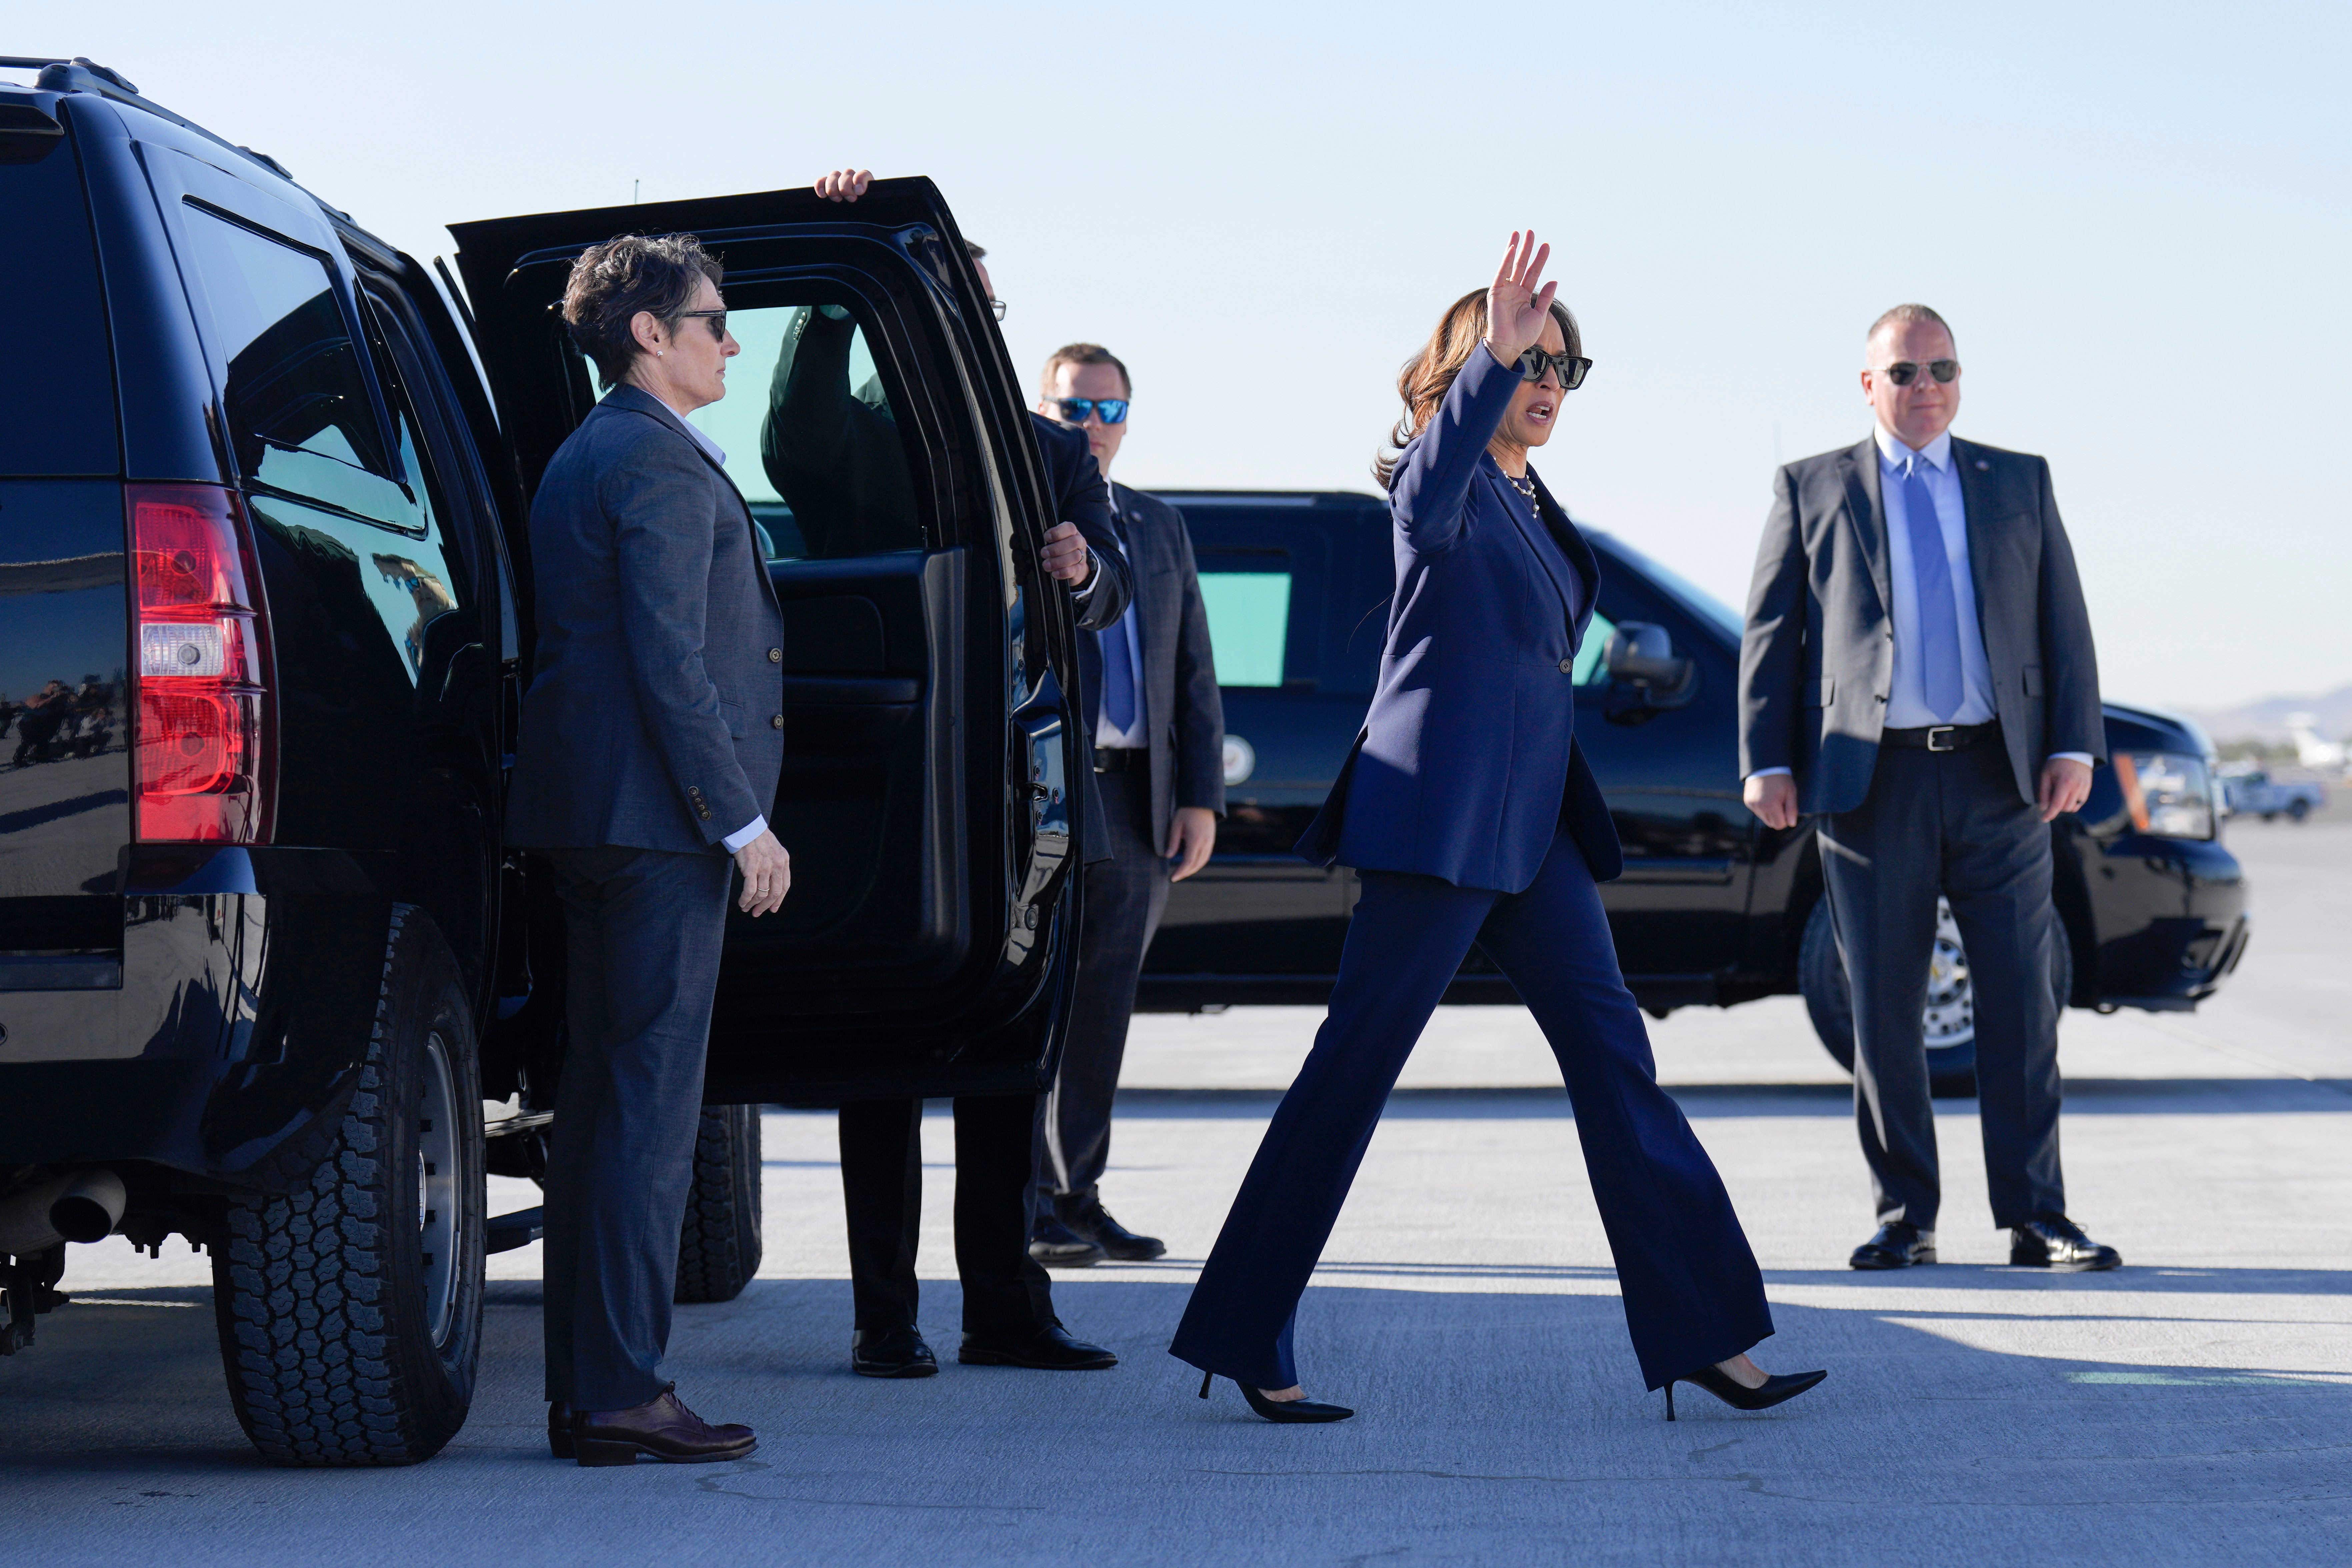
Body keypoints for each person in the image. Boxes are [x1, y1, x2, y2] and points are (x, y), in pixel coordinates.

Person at [1169, 233, 1826, 1425]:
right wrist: (1488, 363)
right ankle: (1242, 1333)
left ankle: (1708, 1334)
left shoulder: (1532, 501)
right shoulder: (1445, 484)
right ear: (1466, 372)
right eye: (1528, 359)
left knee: (1618, 1060)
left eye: (1564, 368)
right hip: (1436, 827)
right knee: (1351, 1077)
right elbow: (1428, 490)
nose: (1547, 381)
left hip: (1535, 837)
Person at [793, 166, 1133, 1381]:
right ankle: (886, 1322)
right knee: (878, 1064)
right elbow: (792, 436)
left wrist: (1081, 567)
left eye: (978, 299)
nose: (968, 314)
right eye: (940, 295)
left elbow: (1113, 599)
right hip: (893, 787)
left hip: (1018, 794)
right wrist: (838, 277)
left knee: (1008, 1053)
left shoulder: (1053, 450)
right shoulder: (855, 442)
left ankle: (1006, 1313)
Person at [1738, 304, 2116, 1274]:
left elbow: (2063, 623)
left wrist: (2075, 743)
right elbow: (1773, 634)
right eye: (1903, 373)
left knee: (2022, 1004)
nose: (1925, 388)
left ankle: (2039, 1217)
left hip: (2001, 777)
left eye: (1941, 369)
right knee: (1886, 1008)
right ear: (1869, 384)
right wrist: (1767, 760)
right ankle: (1906, 1216)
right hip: (1872, 781)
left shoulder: (2017, 482)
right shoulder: (1811, 485)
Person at [507, 233, 791, 1466]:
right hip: (656, 827)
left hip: (597, 818)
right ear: (648, 334)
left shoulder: (597, 450)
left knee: (608, 1110)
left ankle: (595, 1390)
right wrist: (743, 822)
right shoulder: (658, 465)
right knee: (642, 1119)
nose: (731, 342)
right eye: (715, 322)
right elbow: (670, 663)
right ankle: (621, 1391)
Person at [1023, 343, 1224, 1270]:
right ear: (1041, 410)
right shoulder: (1028, 514)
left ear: (1129, 420)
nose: (1091, 428)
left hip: (1141, 794)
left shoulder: (1157, 524)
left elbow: (1193, 670)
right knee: (1039, 1001)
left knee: (1105, 1006)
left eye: (1107, 411)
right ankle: (1026, 1202)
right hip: (1049, 790)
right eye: (1073, 410)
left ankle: (1081, 1195)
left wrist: (1200, 797)